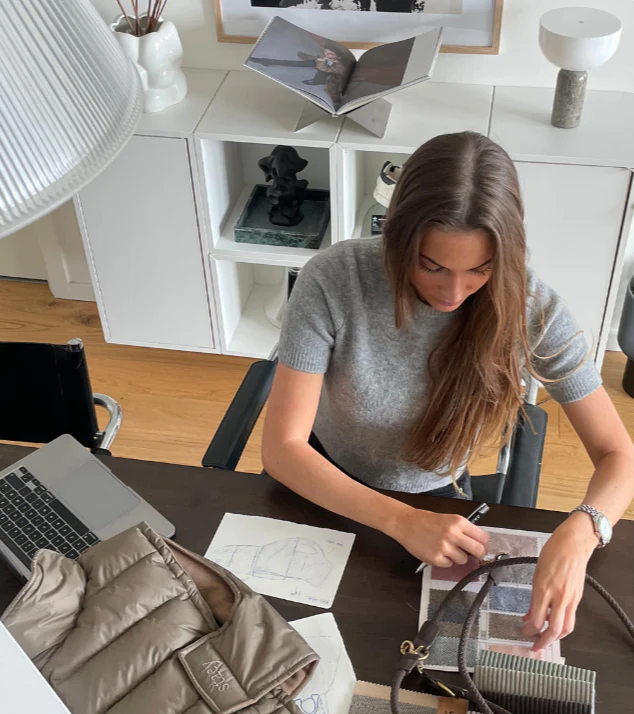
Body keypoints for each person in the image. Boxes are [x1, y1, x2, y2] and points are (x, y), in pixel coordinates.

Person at [262, 132, 634, 651]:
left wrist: (581, 532)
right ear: (396, 237)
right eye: (431, 266)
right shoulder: (334, 280)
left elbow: (619, 455)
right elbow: (283, 448)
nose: (453, 292)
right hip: (321, 477)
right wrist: (399, 519)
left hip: (433, 497)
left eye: (479, 269)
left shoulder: (532, 307)